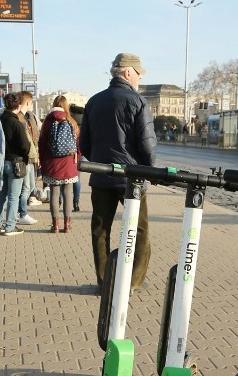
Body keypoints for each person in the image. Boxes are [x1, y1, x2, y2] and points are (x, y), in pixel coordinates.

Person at [79, 52, 156, 292]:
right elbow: (147, 144)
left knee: (101, 230)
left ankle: (105, 282)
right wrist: (148, 171)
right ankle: (133, 282)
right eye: (139, 74)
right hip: (131, 179)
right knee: (140, 231)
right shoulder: (137, 101)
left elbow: (85, 144)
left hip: (101, 175)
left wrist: (100, 162)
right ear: (127, 72)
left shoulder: (94, 101)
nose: (140, 79)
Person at [0, 92, 30, 236]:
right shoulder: (16, 123)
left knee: (2, 195)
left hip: (1, 163)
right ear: (19, 106)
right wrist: (24, 156)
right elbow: (25, 145)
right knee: (14, 196)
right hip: (16, 163)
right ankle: (10, 227)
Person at [39, 95, 80, 233]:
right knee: (68, 193)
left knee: (54, 194)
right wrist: (76, 158)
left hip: (52, 163)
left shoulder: (48, 122)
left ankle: (55, 225)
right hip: (68, 163)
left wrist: (43, 161)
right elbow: (78, 145)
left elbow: (42, 144)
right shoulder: (71, 121)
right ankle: (67, 225)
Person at [18, 91, 41, 221]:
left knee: (30, 186)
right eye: (31, 102)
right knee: (26, 187)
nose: (32, 105)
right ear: (27, 102)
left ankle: (20, 212)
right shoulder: (20, 119)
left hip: (31, 156)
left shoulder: (29, 116)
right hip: (24, 158)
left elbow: (35, 135)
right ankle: (22, 213)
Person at [70, 104, 85, 212]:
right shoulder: (85, 122)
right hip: (81, 153)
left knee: (64, 179)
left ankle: (60, 201)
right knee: (77, 179)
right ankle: (76, 203)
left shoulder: (69, 121)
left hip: (69, 153)